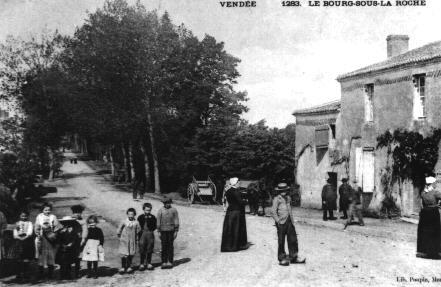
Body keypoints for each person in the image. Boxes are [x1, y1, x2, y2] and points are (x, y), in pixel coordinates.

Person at [271, 183, 306, 266]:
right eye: (281, 191)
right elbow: (273, 211)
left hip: (289, 221)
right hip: (281, 222)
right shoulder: (277, 199)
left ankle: (294, 257)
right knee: (281, 241)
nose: (283, 192)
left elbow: (289, 209)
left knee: (293, 239)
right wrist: (278, 221)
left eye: (285, 190)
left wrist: (292, 221)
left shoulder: (288, 198)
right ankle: (282, 258)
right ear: (279, 191)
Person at [416, 176, 441, 259]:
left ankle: (423, 251)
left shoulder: (423, 193)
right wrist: (438, 205)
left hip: (425, 213)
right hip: (433, 213)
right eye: (435, 183)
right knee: (435, 232)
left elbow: (422, 204)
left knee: (425, 232)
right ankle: (434, 252)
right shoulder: (435, 193)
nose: (436, 184)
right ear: (432, 184)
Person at [221, 177, 248, 252]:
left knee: (230, 229)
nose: (239, 183)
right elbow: (240, 202)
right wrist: (246, 201)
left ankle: (228, 246)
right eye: (238, 182)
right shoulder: (236, 191)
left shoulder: (228, 191)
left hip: (230, 211)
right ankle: (235, 246)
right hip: (236, 211)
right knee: (236, 228)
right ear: (235, 183)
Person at [34, 203, 59, 279]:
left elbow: (56, 227)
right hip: (42, 238)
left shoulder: (53, 217)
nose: (47, 211)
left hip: (50, 238)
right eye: (45, 210)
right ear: (42, 210)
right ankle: (41, 273)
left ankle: (50, 274)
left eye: (49, 210)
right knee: (41, 255)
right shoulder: (39, 216)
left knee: (50, 255)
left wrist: (54, 234)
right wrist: (37, 233)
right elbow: (37, 226)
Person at [157, 197, 179, 269]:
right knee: (164, 246)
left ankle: (170, 261)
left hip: (171, 230)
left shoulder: (174, 210)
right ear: (163, 203)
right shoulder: (160, 210)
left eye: (169, 203)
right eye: (166, 203)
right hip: (163, 231)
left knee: (170, 246)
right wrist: (159, 231)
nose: (167, 204)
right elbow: (158, 221)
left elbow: (176, 220)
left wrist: (176, 231)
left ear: (170, 203)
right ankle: (164, 261)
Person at [12, 210, 34, 281]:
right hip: (18, 241)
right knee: (19, 258)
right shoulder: (17, 223)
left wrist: (25, 238)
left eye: (25, 216)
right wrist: (19, 238)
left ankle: (26, 273)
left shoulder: (30, 223)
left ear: (27, 216)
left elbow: (30, 233)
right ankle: (18, 274)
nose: (24, 217)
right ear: (19, 216)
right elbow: (15, 234)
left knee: (26, 258)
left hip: (27, 241)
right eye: (22, 216)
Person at [117, 208, 140, 274]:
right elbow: (119, 229)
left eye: (132, 214)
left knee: (130, 254)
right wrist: (119, 236)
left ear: (134, 215)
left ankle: (129, 267)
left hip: (132, 240)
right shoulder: (124, 221)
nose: (130, 216)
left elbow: (138, 230)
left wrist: (136, 237)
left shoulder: (136, 222)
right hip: (124, 240)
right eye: (129, 214)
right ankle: (123, 267)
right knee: (124, 254)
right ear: (127, 214)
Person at [137, 202, 157, 271]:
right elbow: (138, 226)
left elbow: (155, 226)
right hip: (142, 234)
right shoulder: (140, 217)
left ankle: (149, 263)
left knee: (150, 248)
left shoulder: (153, 217)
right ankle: (142, 263)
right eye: (146, 210)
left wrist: (151, 227)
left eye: (149, 210)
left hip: (150, 233)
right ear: (143, 210)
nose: (147, 212)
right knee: (142, 248)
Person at [71, 204, 88, 278]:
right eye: (75, 212)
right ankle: (67, 271)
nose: (77, 214)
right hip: (70, 240)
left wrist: (83, 239)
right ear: (72, 213)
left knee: (77, 257)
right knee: (70, 256)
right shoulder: (69, 220)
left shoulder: (83, 221)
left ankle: (77, 272)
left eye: (79, 212)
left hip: (78, 240)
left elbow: (85, 230)